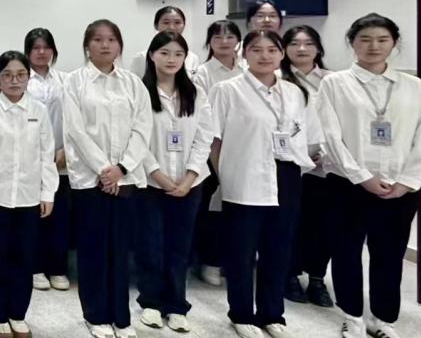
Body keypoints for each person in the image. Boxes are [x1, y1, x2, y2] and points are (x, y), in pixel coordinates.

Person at [317, 13, 421, 338]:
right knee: (346, 251)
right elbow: (330, 136)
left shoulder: (415, 87)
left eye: (382, 40)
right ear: (352, 43)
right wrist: (361, 176)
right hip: (347, 184)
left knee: (390, 254)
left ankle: (383, 318)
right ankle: (351, 315)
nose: (374, 46)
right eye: (365, 40)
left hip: (398, 187)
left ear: (394, 43)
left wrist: (408, 181)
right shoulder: (335, 84)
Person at [210, 30, 312, 338]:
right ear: (244, 54)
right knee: (241, 251)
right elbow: (214, 140)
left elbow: (300, 134)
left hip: (287, 175)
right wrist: (225, 176)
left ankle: (272, 314)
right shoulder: (227, 90)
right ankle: (241, 313)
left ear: (281, 54)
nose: (264, 55)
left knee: (278, 249)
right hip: (244, 175)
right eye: (256, 49)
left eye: (272, 49)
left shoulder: (293, 92)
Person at [63, 20, 152, 338]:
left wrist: (121, 168)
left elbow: (143, 128)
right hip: (90, 180)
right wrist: (104, 169)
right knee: (93, 249)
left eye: (112, 39)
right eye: (98, 39)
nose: (105, 45)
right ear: (87, 46)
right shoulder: (74, 81)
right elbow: (75, 130)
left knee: (120, 250)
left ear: (120, 46)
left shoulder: (132, 83)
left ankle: (120, 316)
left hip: (125, 179)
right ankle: (96, 315)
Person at [0, 50, 58, 338]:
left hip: (29, 197)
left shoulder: (38, 111)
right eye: (7, 75)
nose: (14, 80)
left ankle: (18, 313)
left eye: (20, 75)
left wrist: (48, 193)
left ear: (28, 78)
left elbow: (46, 155)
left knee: (24, 257)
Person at [134, 31, 213, 334]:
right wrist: (159, 175)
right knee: (151, 244)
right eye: (165, 53)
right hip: (151, 183)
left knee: (180, 246)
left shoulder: (196, 92)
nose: (171, 59)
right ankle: (151, 302)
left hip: (190, 183)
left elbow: (205, 136)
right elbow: (136, 138)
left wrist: (190, 176)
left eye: (178, 54)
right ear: (152, 55)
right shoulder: (140, 92)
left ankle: (177, 305)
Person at [280, 26, 334, 307]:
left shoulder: (332, 80)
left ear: (318, 48)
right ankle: (288, 274)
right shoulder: (277, 79)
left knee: (322, 225)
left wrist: (327, 153)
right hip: (290, 164)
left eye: (308, 43)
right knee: (290, 223)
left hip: (326, 165)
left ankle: (316, 278)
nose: (301, 49)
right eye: (294, 43)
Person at [191, 19, 243, 287]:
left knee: (241, 209)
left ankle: (235, 259)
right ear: (209, 42)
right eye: (218, 37)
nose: (224, 41)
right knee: (213, 210)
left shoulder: (247, 69)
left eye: (230, 36)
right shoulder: (203, 73)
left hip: (246, 147)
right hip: (213, 147)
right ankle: (210, 260)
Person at [24, 27, 70, 292]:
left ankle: (58, 268)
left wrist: (66, 151)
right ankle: (35, 267)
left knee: (59, 217)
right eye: (36, 48)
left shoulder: (65, 80)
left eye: (46, 47)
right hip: (31, 159)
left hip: (61, 158)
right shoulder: (22, 79)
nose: (41, 52)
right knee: (34, 216)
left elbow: (74, 118)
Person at [127, 6, 201, 78]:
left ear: (184, 25)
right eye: (166, 22)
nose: (171, 27)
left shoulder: (192, 58)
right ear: (156, 25)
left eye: (177, 22)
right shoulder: (141, 57)